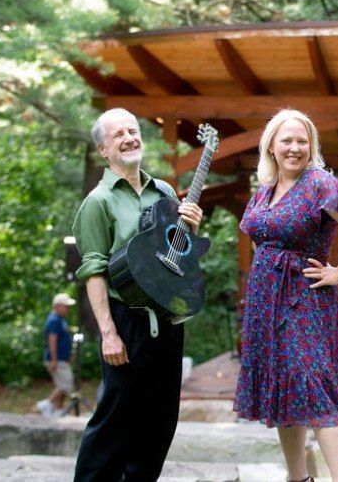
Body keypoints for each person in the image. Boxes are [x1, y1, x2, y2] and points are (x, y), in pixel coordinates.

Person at [234, 109, 338, 482]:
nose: (295, 148)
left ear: (311, 146)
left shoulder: (319, 183)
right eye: (287, 140)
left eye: (302, 141)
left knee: (314, 387)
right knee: (284, 388)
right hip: (266, 302)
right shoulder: (265, 188)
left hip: (304, 300)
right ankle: (296, 477)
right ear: (272, 146)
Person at [71, 108, 204, 481]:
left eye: (133, 130)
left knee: (160, 420)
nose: (129, 138)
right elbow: (93, 271)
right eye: (118, 134)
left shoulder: (162, 191)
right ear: (103, 149)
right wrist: (108, 333)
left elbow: (177, 256)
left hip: (167, 320)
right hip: (125, 322)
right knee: (114, 423)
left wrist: (190, 229)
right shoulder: (98, 202)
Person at [37, 293, 76, 417]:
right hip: (57, 359)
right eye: (66, 306)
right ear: (58, 306)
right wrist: (54, 360)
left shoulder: (60, 319)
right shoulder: (54, 320)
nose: (68, 309)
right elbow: (52, 340)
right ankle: (46, 404)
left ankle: (59, 410)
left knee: (61, 385)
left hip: (62, 359)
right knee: (66, 384)